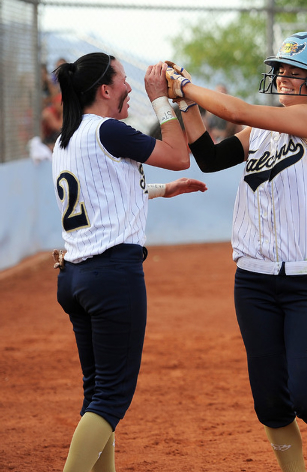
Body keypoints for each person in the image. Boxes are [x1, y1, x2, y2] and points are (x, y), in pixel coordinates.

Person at [165, 32, 307, 472]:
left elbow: (234, 109)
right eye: (284, 69)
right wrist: (186, 106)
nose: (284, 77)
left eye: (296, 72)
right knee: (271, 403)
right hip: (254, 280)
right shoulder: (261, 131)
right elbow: (211, 159)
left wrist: (182, 85)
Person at [51, 52, 207, 472]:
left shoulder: (66, 137)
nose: (130, 87)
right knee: (112, 397)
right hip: (111, 276)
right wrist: (162, 100)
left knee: (97, 394)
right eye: (123, 80)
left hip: (75, 277)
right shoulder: (109, 131)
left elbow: (100, 193)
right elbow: (179, 153)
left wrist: (160, 191)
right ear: (104, 89)